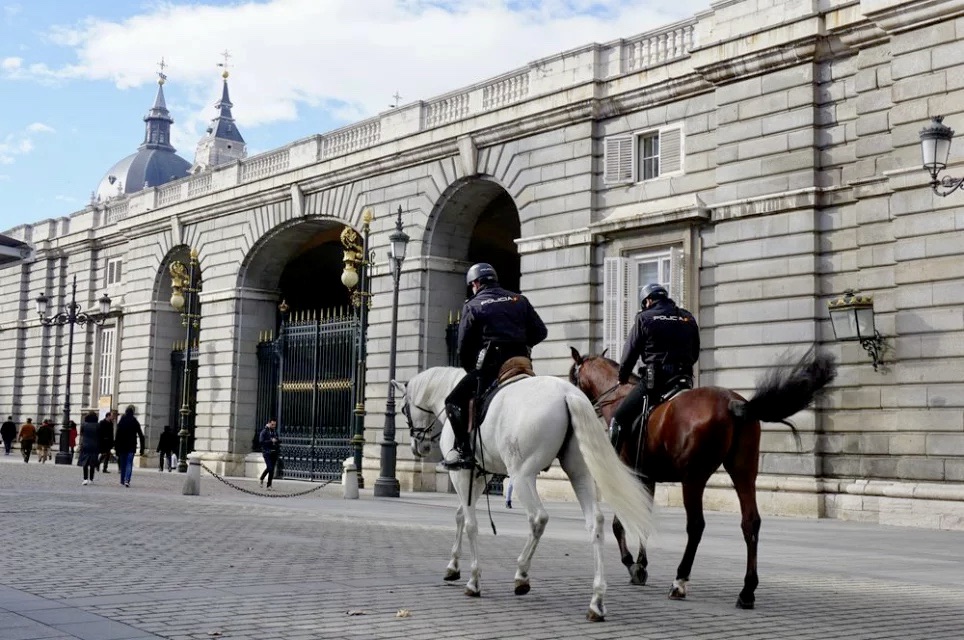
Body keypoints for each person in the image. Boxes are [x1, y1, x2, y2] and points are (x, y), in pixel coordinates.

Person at [443, 263, 547, 470]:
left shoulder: (473, 305)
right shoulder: (519, 299)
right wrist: (522, 345)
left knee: (453, 401)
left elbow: (462, 347)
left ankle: (464, 451)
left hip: (492, 367)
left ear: (475, 283)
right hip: (522, 363)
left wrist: (472, 368)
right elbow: (541, 332)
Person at [609, 283, 700, 449]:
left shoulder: (644, 317)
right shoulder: (688, 317)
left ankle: (610, 469)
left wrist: (623, 376)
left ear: (648, 301)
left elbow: (630, 353)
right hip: (684, 379)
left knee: (618, 419)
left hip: (656, 382)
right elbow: (695, 352)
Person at [114, 405, 145, 487]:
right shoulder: (135, 421)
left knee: (123, 464)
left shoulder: (122, 421)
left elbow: (117, 436)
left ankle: (122, 480)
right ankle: (127, 480)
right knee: (129, 464)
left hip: (122, 446)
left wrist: (116, 448)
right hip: (131, 446)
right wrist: (142, 448)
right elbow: (141, 435)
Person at [79, 412, 100, 485]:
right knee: (92, 463)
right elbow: (100, 436)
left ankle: (85, 479)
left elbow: (81, 434)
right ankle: (91, 479)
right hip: (95, 445)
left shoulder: (84, 425)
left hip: (86, 445)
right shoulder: (98, 425)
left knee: (85, 462)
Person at [259, 419, 280, 490]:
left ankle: (269, 485)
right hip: (266, 452)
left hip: (274, 452)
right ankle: (262, 478)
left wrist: (277, 440)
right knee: (269, 467)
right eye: (272, 424)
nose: (274, 426)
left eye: (275, 425)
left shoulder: (275, 431)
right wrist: (271, 441)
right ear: (268, 424)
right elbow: (261, 442)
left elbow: (278, 439)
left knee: (272, 469)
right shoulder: (264, 431)